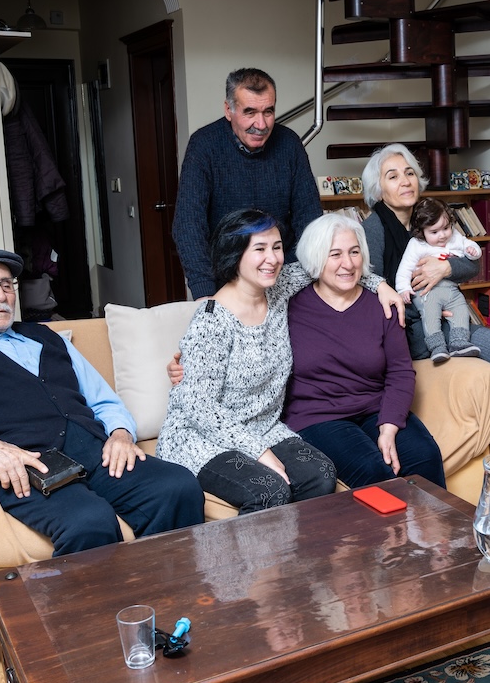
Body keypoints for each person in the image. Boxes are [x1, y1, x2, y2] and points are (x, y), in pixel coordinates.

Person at [0, 249, 204, 556]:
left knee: (177, 485)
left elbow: (103, 400)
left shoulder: (49, 337)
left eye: (6, 284)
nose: (0, 295)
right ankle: (92, 612)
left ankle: (169, 595)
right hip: (29, 469)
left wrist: (120, 433)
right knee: (89, 522)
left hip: (97, 455)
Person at [158, 210, 402, 513]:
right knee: (269, 491)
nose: (272, 258)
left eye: (276, 247)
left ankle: (306, 558)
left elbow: (331, 264)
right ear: (235, 255)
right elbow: (199, 407)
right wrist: (259, 452)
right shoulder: (212, 321)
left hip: (264, 427)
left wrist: (380, 285)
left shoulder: (278, 288)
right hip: (202, 438)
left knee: (320, 475)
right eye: (259, 249)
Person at [284, 213, 446, 489]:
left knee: (424, 456)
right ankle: (394, 533)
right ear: (315, 258)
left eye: (354, 252)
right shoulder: (289, 307)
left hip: (374, 406)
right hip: (317, 416)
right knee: (372, 468)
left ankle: (437, 531)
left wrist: (389, 425)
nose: (348, 264)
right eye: (334, 254)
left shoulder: (384, 305)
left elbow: (400, 373)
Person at [359, 143, 490, 371]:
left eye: (409, 173)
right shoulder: (372, 229)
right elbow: (371, 289)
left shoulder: (429, 216)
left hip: (447, 314)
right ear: (378, 189)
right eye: (393, 177)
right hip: (405, 326)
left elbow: (473, 264)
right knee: (471, 363)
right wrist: (426, 308)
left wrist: (445, 268)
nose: (405, 181)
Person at [172, 67, 322, 299]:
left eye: (268, 112)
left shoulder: (290, 144)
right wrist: (204, 291)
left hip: (283, 276)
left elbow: (310, 218)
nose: (261, 124)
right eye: (250, 112)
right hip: (225, 282)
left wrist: (291, 273)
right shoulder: (203, 145)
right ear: (228, 110)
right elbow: (188, 224)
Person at [394, 197, 482, 363]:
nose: (442, 236)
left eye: (446, 228)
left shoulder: (454, 237)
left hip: (452, 290)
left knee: (461, 311)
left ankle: (459, 343)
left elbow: (470, 249)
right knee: (431, 315)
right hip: (427, 291)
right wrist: (403, 289)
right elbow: (404, 269)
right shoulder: (417, 245)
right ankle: (437, 347)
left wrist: (473, 251)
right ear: (422, 232)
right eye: (434, 232)